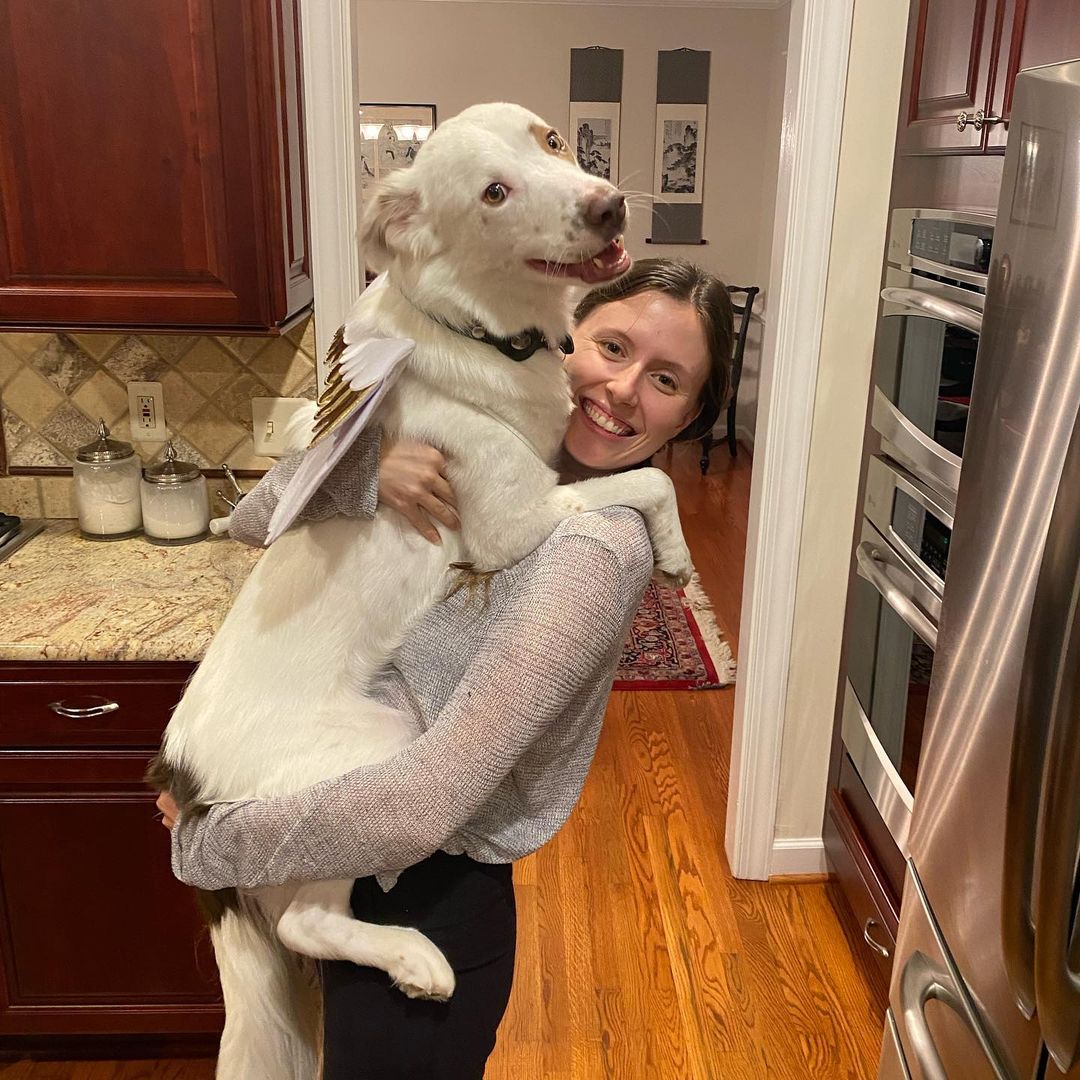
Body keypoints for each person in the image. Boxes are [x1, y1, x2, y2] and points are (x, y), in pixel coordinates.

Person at [159, 258, 734, 1079]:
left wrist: (209, 843)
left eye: (667, 379)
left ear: (691, 416)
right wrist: (367, 473)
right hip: (332, 831)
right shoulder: (487, 442)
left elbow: (434, 796)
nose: (622, 388)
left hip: (430, 892)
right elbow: (253, 521)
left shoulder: (595, 549)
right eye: (612, 347)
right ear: (565, 335)